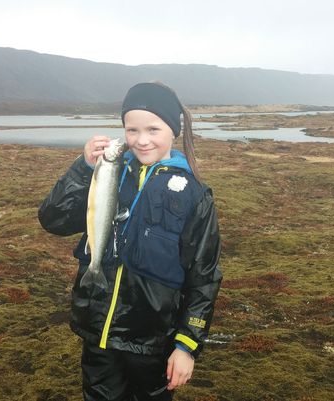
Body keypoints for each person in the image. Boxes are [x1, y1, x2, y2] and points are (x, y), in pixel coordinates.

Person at [38, 82, 222, 401]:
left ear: (173, 129)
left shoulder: (194, 196)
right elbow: (53, 219)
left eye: (153, 128)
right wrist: (83, 170)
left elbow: (204, 277)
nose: (141, 139)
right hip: (98, 332)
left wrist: (186, 346)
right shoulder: (110, 174)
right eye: (132, 129)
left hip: (153, 341)